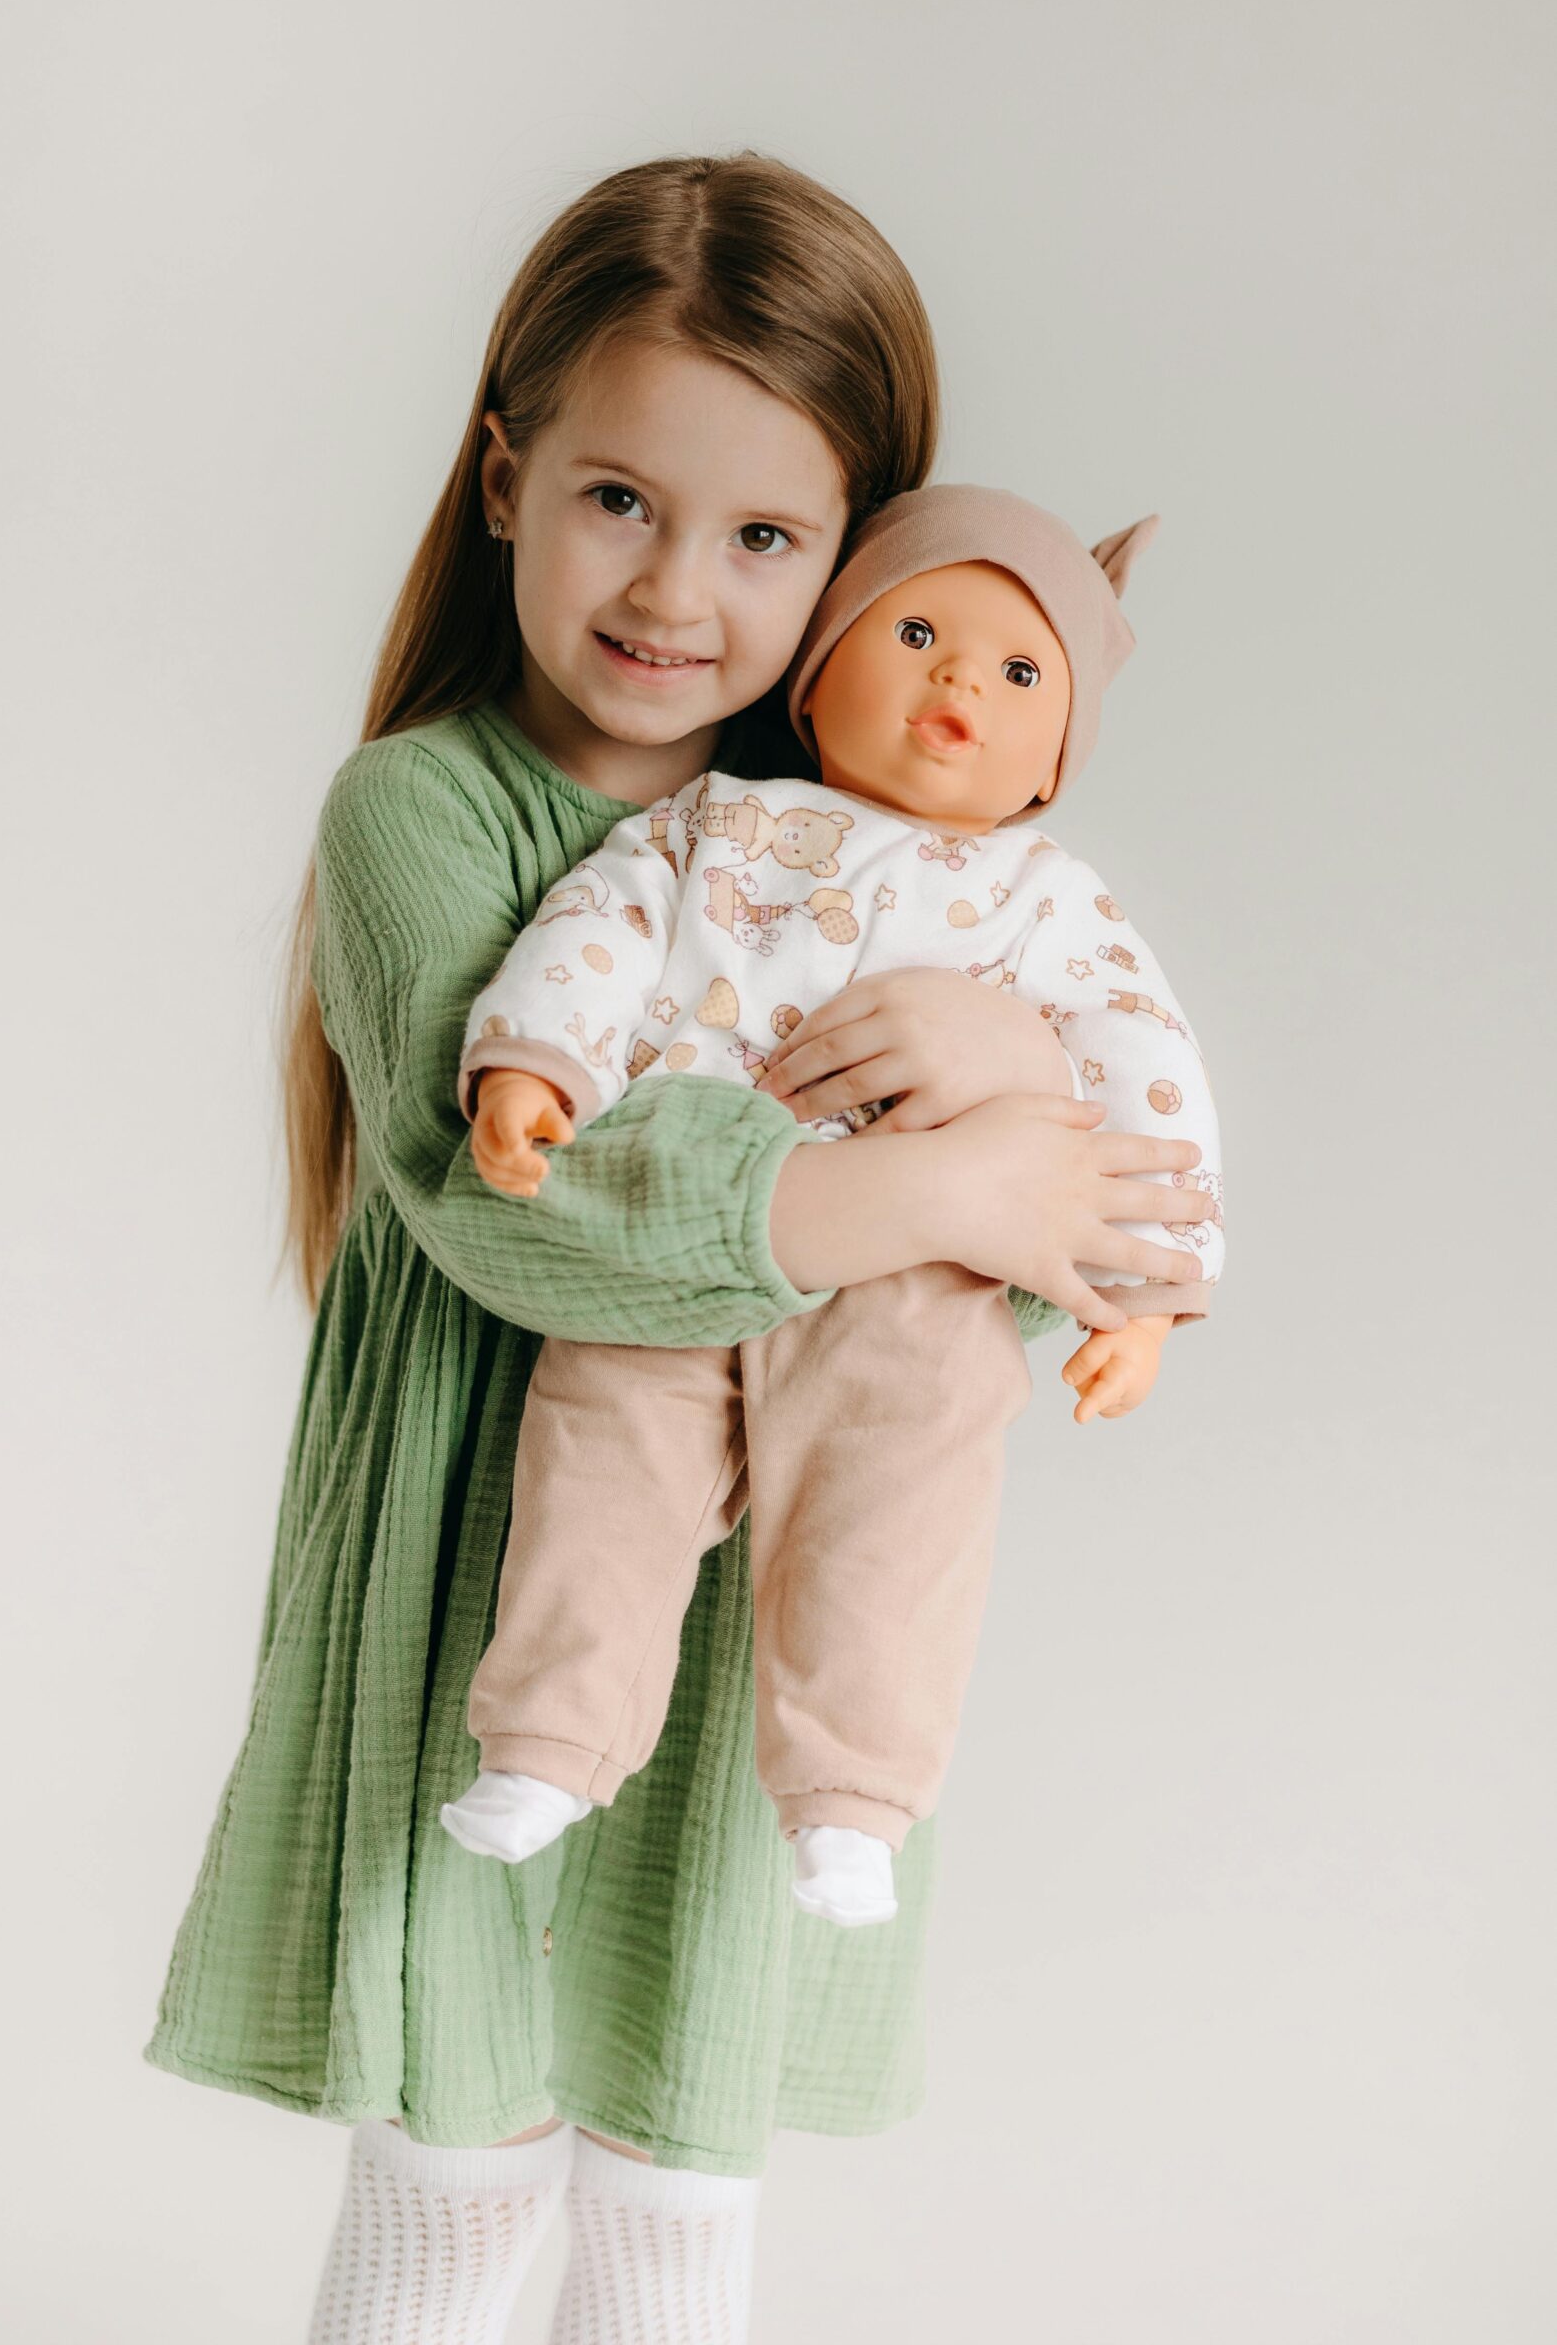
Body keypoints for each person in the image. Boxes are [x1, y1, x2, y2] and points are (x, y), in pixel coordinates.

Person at [143, 153, 1209, 2345]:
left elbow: (998, 1285)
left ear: (856, 567)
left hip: (754, 1646)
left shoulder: (907, 872)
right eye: (621, 497)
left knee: (671, 2210)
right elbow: (529, 1214)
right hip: (476, 1601)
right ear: (508, 470)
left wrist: (1004, 1077)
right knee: (454, 2186)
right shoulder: (425, 812)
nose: (673, 591)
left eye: (762, 536)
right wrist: (939, 1171)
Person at [440, 484, 1223, 1929]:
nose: (955, 686)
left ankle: (854, 1797)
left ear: (1059, 750)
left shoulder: (1049, 901)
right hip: (685, 1227)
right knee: (599, 1454)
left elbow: (1138, 1067)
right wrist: (535, 1067)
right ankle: (549, 1738)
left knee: (902, 1505)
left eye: (1017, 672)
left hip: (916, 1277)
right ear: (821, 670)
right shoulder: (717, 826)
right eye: (918, 631)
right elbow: (601, 933)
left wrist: (1148, 1292)